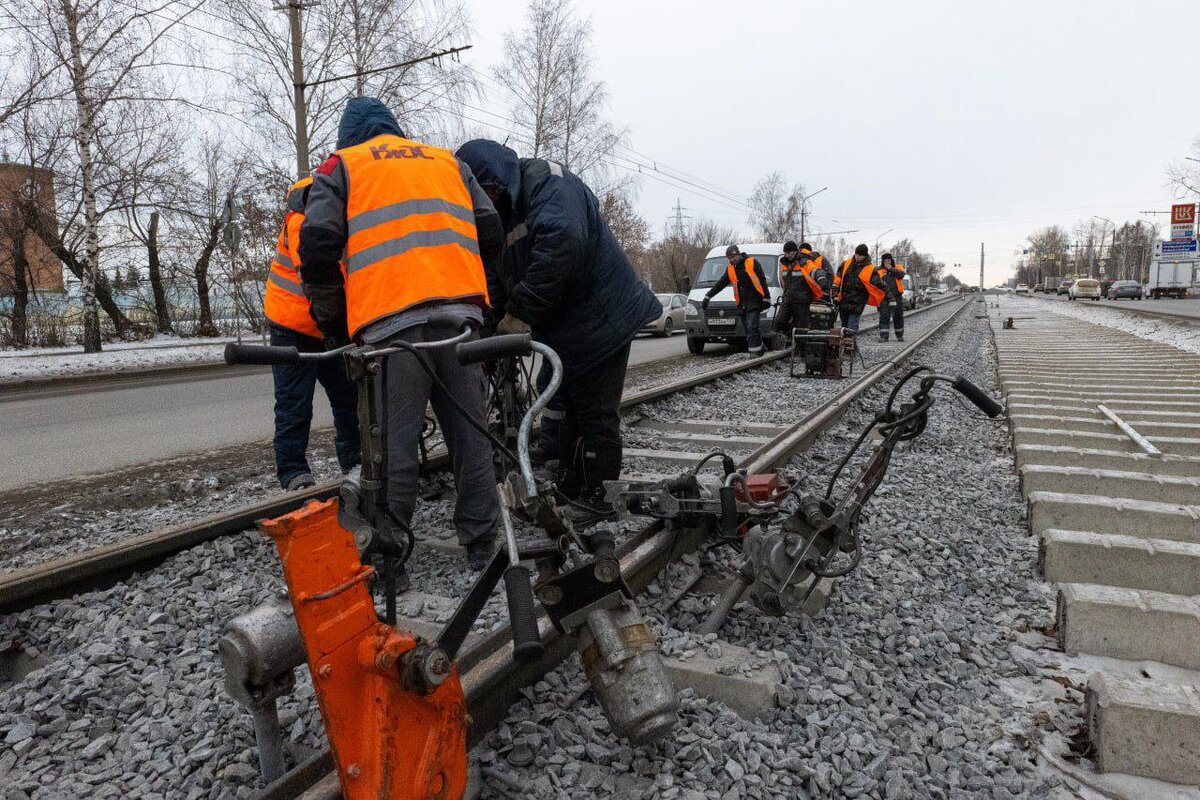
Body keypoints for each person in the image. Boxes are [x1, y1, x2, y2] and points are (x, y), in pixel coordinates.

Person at [298, 97, 506, 569]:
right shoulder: (446, 161)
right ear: (394, 128)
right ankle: (480, 545)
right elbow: (490, 230)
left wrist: (334, 327)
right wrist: (482, 304)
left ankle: (391, 557)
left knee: (392, 446)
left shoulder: (342, 166)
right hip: (461, 322)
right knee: (471, 435)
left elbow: (317, 242)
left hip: (393, 324)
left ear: (349, 137)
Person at [454, 139, 661, 519]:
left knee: (593, 411)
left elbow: (563, 243)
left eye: (485, 193)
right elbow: (497, 275)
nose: (485, 201)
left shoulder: (548, 183)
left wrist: (520, 312)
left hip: (602, 317)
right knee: (560, 402)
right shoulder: (500, 210)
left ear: (495, 180)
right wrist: (492, 330)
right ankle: (568, 479)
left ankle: (599, 499)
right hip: (568, 325)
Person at [262, 176, 360, 491]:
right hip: (293, 325)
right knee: (294, 401)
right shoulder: (305, 216)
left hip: (331, 324)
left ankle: (355, 461)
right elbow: (315, 270)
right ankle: (293, 473)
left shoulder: (340, 209)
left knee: (349, 396)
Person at [702, 244, 770, 355]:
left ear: (738, 254)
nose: (732, 259)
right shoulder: (730, 269)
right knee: (748, 329)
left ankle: (754, 354)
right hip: (742, 303)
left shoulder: (752, 262)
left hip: (755, 300)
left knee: (752, 326)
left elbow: (762, 280)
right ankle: (760, 347)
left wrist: (767, 298)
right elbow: (720, 284)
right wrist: (708, 296)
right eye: (730, 258)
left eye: (733, 257)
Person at [775, 241, 834, 335]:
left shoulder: (804, 262)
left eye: (789, 253)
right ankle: (789, 336)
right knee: (779, 322)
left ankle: (799, 346)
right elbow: (783, 281)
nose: (787, 255)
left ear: (795, 252)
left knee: (801, 328)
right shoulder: (784, 264)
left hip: (802, 301)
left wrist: (821, 278)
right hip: (788, 300)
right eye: (786, 253)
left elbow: (816, 270)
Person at [833, 244, 885, 332]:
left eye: (860, 255)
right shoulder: (846, 263)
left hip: (857, 304)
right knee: (844, 327)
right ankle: (847, 345)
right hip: (844, 302)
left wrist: (890, 298)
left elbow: (880, 284)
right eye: (856, 254)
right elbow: (837, 279)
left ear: (865, 256)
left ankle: (851, 344)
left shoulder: (870, 268)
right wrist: (834, 294)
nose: (857, 257)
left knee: (851, 328)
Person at [876, 253, 907, 341]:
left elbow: (901, 274)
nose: (887, 262)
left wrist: (891, 269)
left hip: (897, 296)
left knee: (898, 316)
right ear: (882, 261)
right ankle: (884, 337)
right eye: (885, 261)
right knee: (884, 316)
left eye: (888, 260)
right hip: (884, 297)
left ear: (891, 260)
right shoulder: (879, 270)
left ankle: (900, 335)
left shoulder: (898, 267)